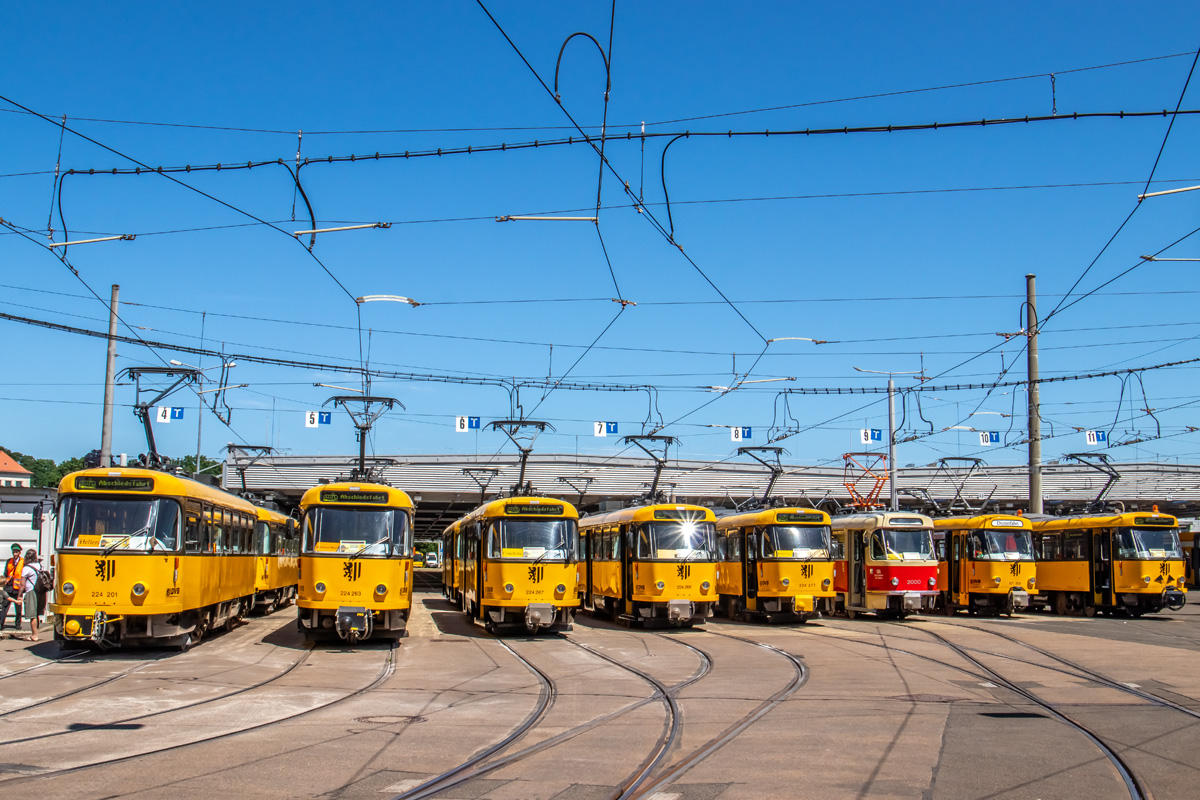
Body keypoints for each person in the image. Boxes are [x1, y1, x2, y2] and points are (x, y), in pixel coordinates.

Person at [16, 549, 42, 642]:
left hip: (31, 591)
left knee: (32, 615)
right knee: (36, 614)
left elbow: (22, 584)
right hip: (39, 592)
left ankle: (34, 635)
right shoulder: (39, 565)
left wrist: (19, 595)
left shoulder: (26, 568)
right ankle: (35, 633)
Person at [1, 544, 23, 630]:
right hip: (9, 587)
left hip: (18, 589)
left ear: (20, 552)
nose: (15, 553)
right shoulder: (9, 561)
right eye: (14, 552)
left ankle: (18, 624)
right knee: (4, 606)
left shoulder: (23, 562)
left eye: (16, 552)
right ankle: (1, 623)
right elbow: (5, 574)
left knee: (18, 608)